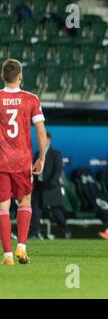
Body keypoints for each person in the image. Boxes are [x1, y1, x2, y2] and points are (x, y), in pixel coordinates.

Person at [0, 59, 47, 266]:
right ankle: (22, 246)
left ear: (3, 76)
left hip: (1, 161)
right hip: (22, 161)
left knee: (2, 207)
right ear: (20, 76)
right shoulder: (31, 99)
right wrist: (42, 157)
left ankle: (8, 255)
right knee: (25, 202)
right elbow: (40, 130)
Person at [30, 132, 71, 240]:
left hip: (51, 187)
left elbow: (58, 170)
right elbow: (34, 170)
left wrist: (51, 182)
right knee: (35, 210)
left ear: (49, 140)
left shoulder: (56, 153)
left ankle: (66, 231)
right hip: (39, 187)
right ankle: (35, 233)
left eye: (44, 138)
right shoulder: (37, 154)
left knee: (56, 212)